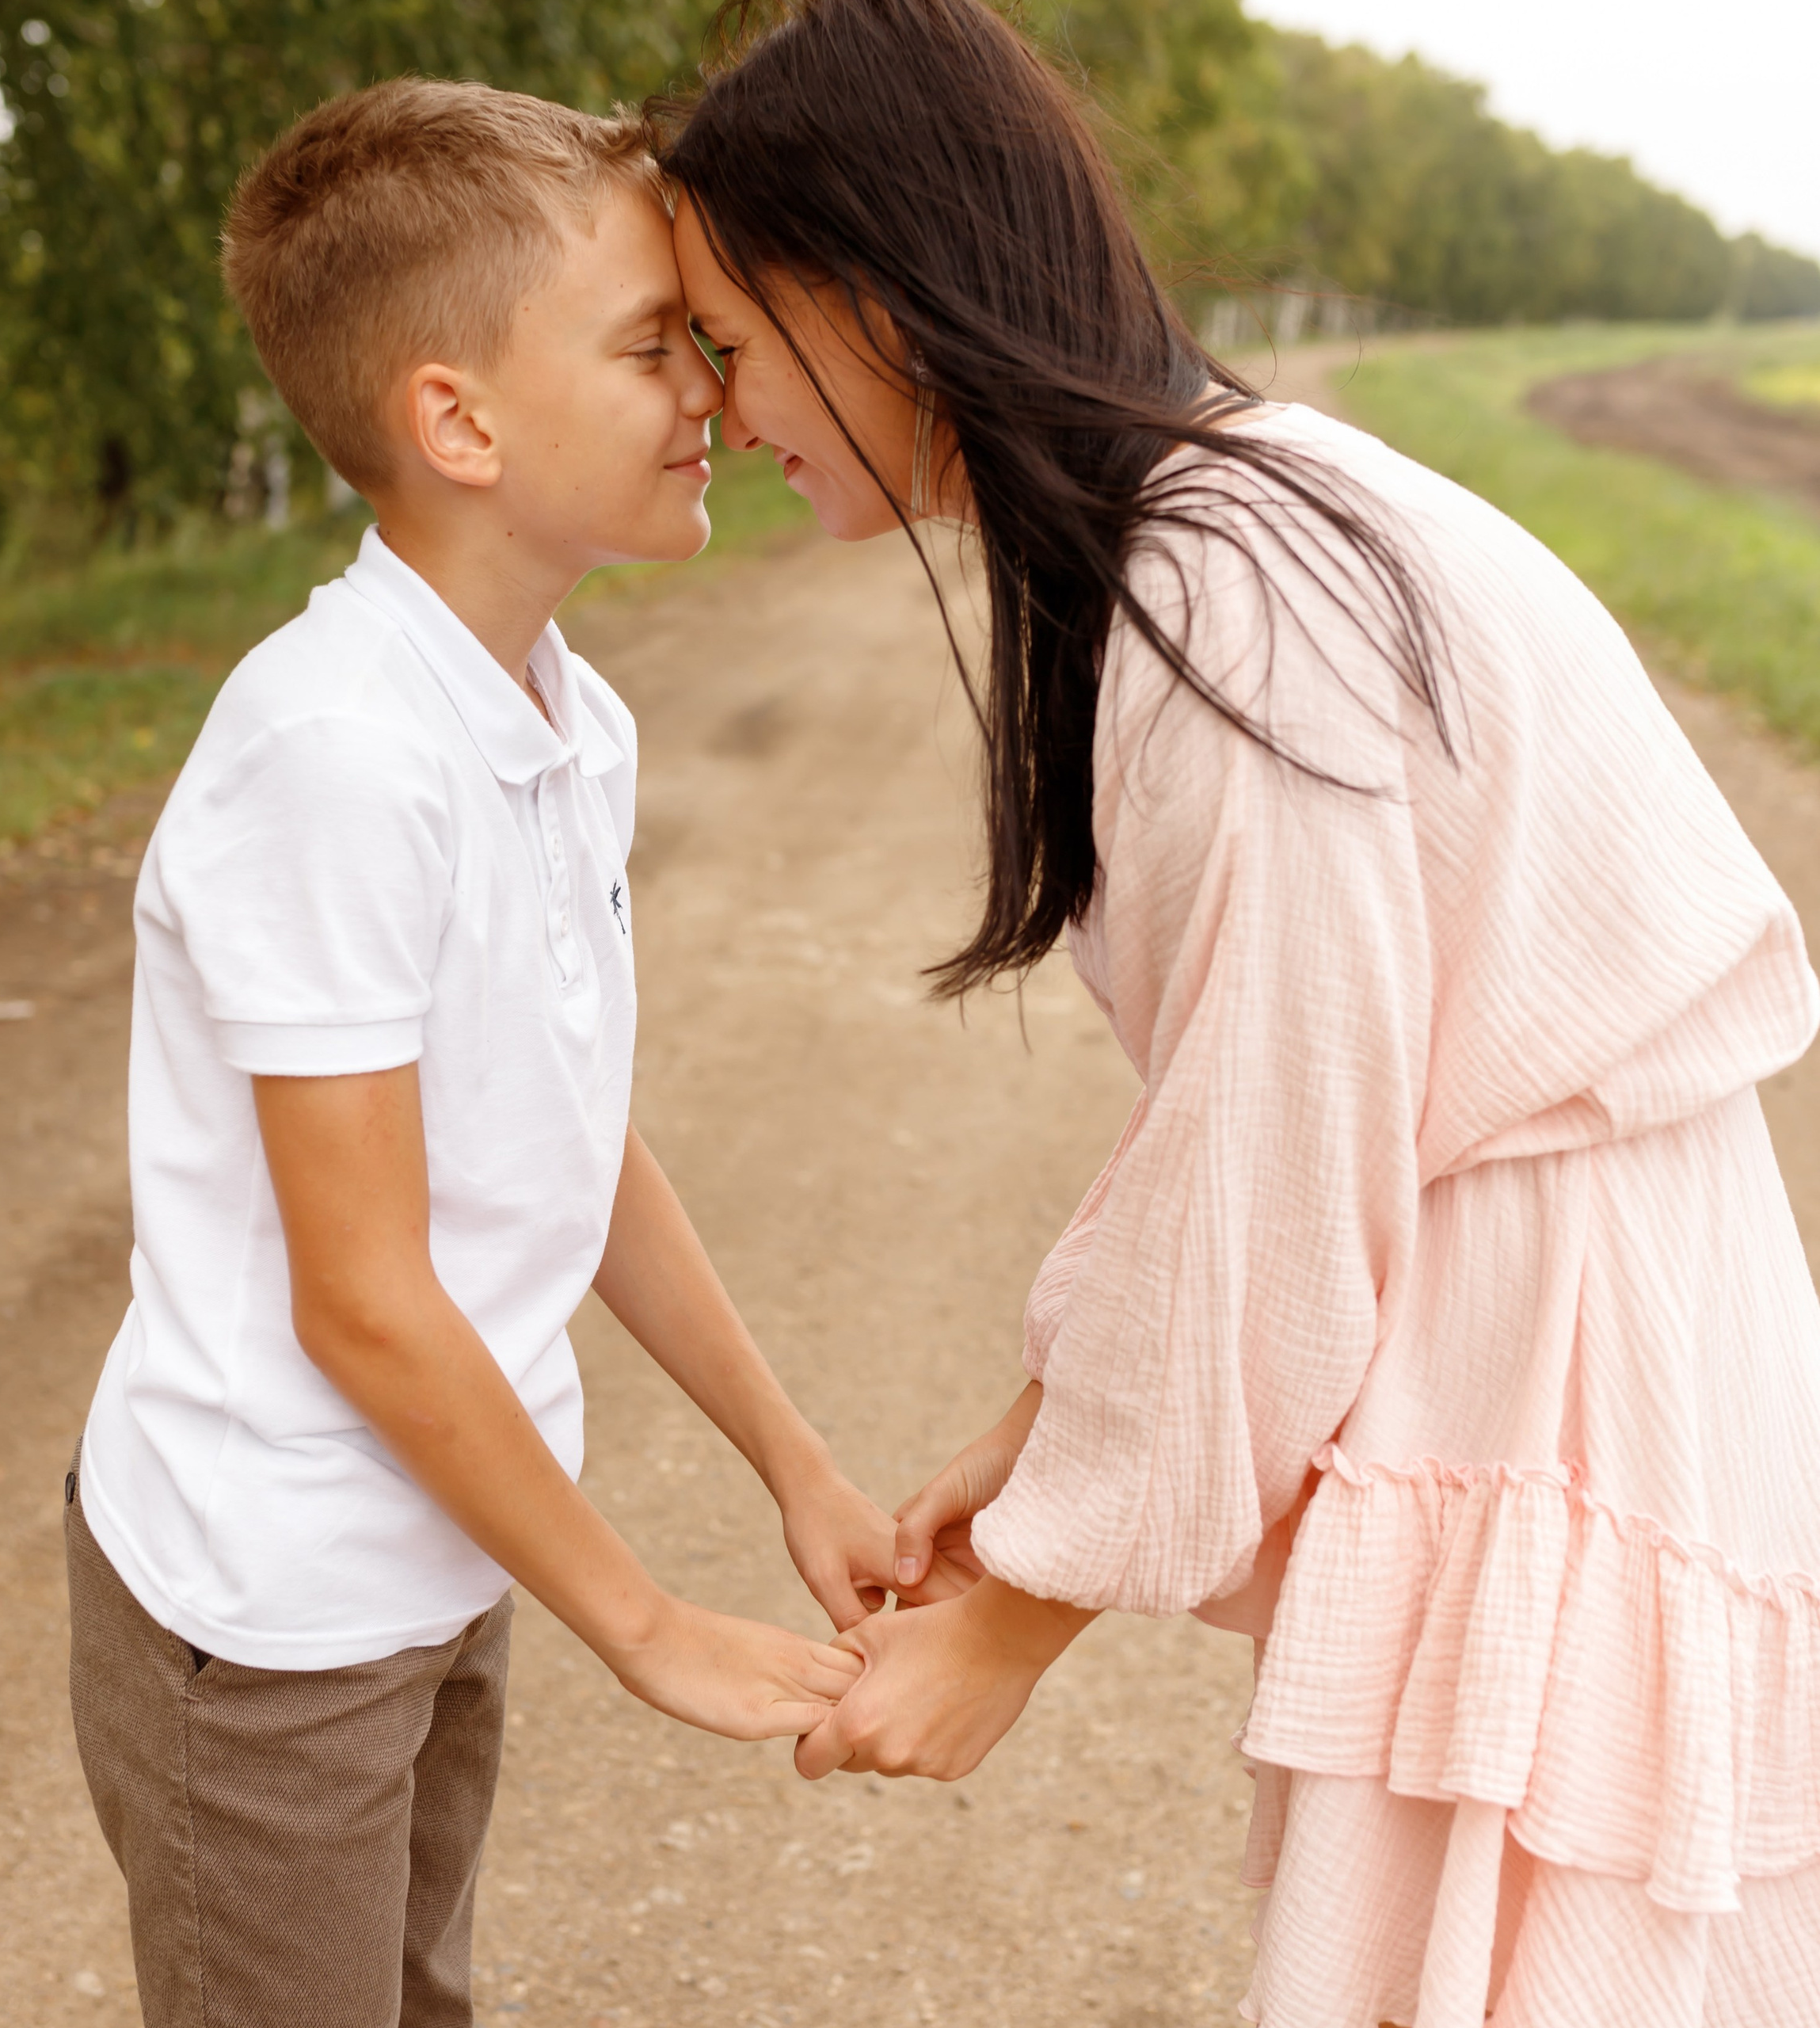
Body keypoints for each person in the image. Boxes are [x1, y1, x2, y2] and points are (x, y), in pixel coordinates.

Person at [655, 1, 1820, 2022]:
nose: (717, 400)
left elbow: (1272, 1172)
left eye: (727, 338)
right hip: (1553, 1305)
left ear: (868, 287)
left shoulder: (1229, 596)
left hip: (1555, 1353)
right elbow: (1260, 1095)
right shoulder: (1221, 528)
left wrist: (1011, 1617)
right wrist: (1030, 1451)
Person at [63, 77, 923, 2028]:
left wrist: (791, 1461)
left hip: (439, 1547)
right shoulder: (335, 753)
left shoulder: (559, 713)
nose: (708, 385)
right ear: (454, 421)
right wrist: (639, 1619)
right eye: (649, 346)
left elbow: (572, 1134)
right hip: (268, 1615)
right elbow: (363, 1301)